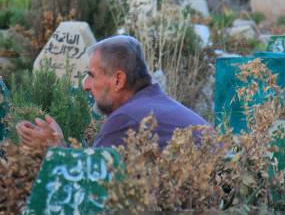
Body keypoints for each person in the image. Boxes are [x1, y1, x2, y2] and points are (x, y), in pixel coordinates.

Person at [16, 35, 209, 149]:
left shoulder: (127, 118)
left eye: (91, 75)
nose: (85, 85)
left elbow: (90, 186)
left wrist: (54, 149)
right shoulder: (155, 105)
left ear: (118, 80)